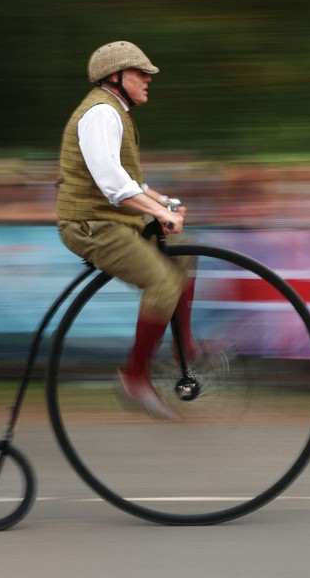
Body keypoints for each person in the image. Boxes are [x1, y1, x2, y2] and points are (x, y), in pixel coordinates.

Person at [55, 41, 195, 420]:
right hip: (91, 226)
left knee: (185, 250)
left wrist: (163, 204)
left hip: (113, 220)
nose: (148, 79)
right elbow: (113, 184)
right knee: (163, 283)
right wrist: (158, 213)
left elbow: (132, 181)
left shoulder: (116, 112)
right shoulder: (101, 113)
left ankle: (184, 347)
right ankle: (135, 376)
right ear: (114, 77)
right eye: (139, 73)